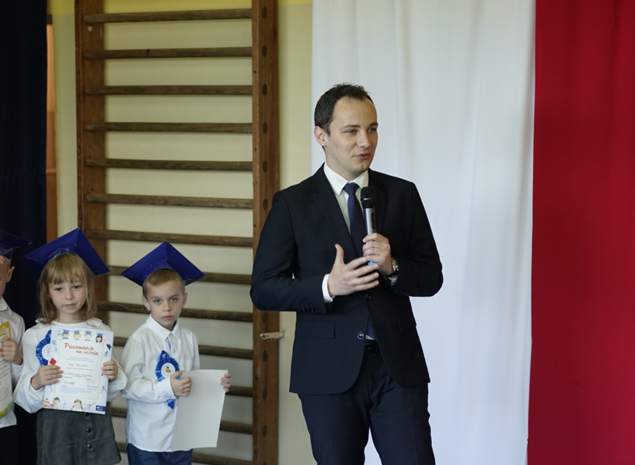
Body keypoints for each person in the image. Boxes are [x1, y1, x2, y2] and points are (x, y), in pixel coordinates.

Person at [250, 83, 443, 465]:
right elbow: (264, 289)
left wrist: (393, 266)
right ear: (321, 135)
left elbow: (431, 277)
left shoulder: (402, 194)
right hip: (327, 371)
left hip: (396, 367)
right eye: (351, 131)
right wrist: (328, 286)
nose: (365, 141)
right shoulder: (292, 203)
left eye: (372, 129)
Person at [15, 228, 126, 465]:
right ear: (47, 292)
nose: (69, 296)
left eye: (76, 286)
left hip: (97, 431)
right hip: (57, 435)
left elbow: (109, 393)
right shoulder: (36, 336)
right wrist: (36, 381)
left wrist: (114, 375)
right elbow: (25, 401)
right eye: (59, 289)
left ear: (88, 287)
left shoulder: (100, 331)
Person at [120, 241, 231, 465]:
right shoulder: (139, 340)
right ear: (146, 302)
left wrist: (214, 385)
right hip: (148, 439)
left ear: (184, 299)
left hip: (181, 437)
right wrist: (167, 387)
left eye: (173, 299)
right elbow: (128, 387)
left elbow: (193, 381)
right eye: (157, 301)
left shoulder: (189, 338)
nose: (167, 307)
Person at [0, 230, 30, 465]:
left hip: (4, 423)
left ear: (8, 275)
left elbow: (21, 382)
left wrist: (18, 360)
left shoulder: (16, 322)